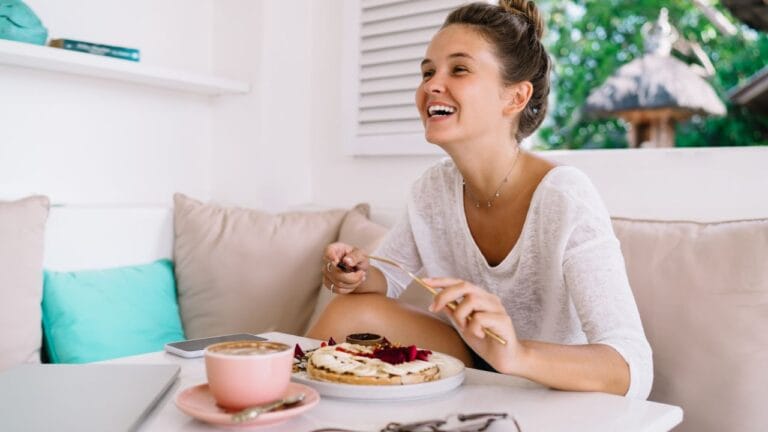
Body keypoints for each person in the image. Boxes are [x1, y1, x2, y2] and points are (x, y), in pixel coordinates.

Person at [308, 0, 652, 399]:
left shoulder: (564, 198)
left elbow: (634, 369)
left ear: (515, 97)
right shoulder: (432, 189)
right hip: (473, 363)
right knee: (348, 312)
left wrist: (517, 354)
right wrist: (357, 273)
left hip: (552, 382)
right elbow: (393, 277)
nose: (432, 85)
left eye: (459, 69)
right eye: (427, 72)